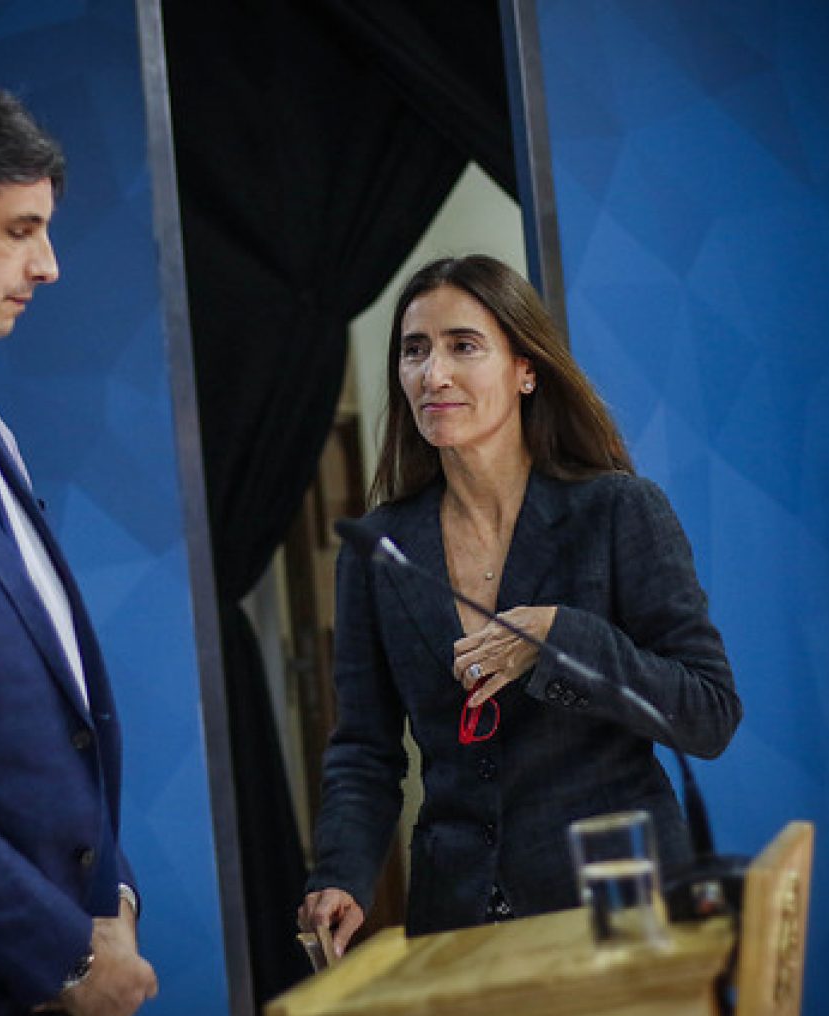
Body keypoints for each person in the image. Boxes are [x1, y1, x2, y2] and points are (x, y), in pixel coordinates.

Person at [298, 255, 743, 955]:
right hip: (459, 919)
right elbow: (364, 749)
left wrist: (561, 639)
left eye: (463, 346)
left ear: (525, 371)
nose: (433, 374)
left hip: (618, 907)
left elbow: (708, 714)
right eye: (414, 350)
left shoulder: (618, 512)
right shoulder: (378, 550)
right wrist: (341, 875)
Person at [0, 75, 157, 1016]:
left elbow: (53, 720)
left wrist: (113, 899)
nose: (50, 265)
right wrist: (62, 955)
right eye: (20, 231)